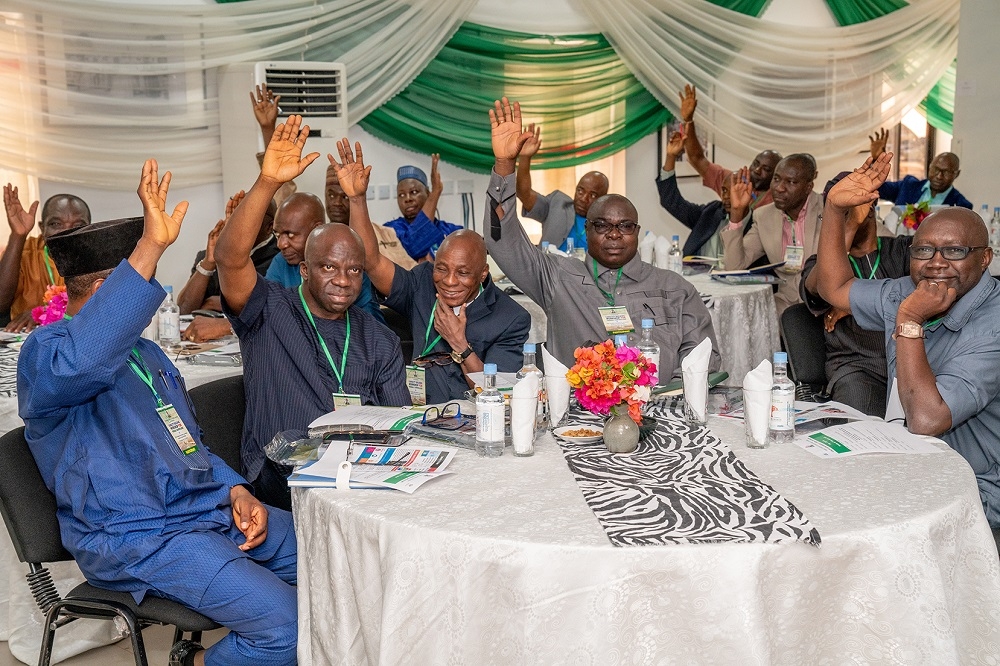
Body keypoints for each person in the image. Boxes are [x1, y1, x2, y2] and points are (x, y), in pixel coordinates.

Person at [17, 160, 297, 666]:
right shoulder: (48, 354)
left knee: (342, 559)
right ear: (109, 297)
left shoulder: (148, 356)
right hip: (136, 537)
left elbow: (189, 443)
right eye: (139, 286)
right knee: (286, 626)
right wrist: (150, 246)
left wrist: (235, 489)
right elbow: (88, 356)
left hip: (204, 510)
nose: (152, 300)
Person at [214, 115, 410, 510]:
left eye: (354, 270)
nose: (342, 280)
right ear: (304, 269)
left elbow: (396, 425)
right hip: (283, 480)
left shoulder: (379, 339)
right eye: (328, 267)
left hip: (359, 478)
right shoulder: (269, 311)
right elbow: (230, 258)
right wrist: (268, 182)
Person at [814, 152, 1000, 527]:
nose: (936, 262)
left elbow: (927, 419)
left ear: (985, 259)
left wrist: (910, 320)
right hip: (910, 462)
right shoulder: (903, 291)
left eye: (955, 251)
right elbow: (831, 287)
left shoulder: (992, 325)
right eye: (923, 250)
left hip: (972, 489)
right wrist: (835, 211)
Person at [485, 97, 720, 373]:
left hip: (657, 410)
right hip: (577, 413)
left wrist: (664, 398)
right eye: (602, 225)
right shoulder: (558, 278)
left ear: (637, 232)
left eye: (624, 226)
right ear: (587, 229)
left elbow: (705, 360)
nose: (614, 234)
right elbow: (503, 243)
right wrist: (504, 165)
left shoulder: (675, 288)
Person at [330, 139, 530, 404]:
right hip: (417, 416)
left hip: (473, 423)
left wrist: (460, 344)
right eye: (442, 268)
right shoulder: (423, 283)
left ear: (483, 274)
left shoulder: (510, 318)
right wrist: (356, 199)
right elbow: (371, 260)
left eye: (462, 273)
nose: (448, 281)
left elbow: (496, 398)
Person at [800, 172, 913, 416]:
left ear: (870, 208)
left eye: (842, 212)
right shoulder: (820, 266)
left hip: (911, 363)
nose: (831, 223)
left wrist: (857, 301)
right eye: (828, 215)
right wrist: (848, 224)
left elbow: (931, 292)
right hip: (858, 368)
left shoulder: (903, 250)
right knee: (858, 430)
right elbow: (820, 289)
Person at [721, 154, 823, 316]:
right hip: (784, 306)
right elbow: (734, 267)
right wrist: (736, 213)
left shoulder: (828, 209)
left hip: (825, 303)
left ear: (808, 187)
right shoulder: (764, 216)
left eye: (791, 182)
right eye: (776, 179)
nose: (780, 188)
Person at [264, 191, 384, 324]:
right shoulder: (281, 262)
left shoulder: (350, 266)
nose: (281, 244)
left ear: (316, 229)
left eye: (290, 234)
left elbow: (372, 329)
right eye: (277, 234)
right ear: (304, 270)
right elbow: (266, 312)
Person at [177, 192, 279, 343]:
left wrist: (221, 303)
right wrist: (209, 262)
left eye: (248, 216)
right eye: (236, 215)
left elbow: (266, 310)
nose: (239, 223)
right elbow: (184, 309)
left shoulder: (281, 257)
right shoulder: (214, 255)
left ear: (269, 227)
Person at [1, 188, 90, 332]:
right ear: (42, 228)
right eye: (56, 224)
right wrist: (18, 235)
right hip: (24, 338)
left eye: (78, 225)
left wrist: (45, 312)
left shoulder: (100, 258)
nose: (66, 233)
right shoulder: (25, 252)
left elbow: (102, 308)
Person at [679, 84, 780, 211]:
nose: (757, 170)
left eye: (766, 169)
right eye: (756, 163)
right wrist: (688, 120)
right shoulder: (733, 180)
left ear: (776, 177)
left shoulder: (779, 201)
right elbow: (696, 159)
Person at [515, 123, 609, 252]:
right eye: (580, 191)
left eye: (592, 195)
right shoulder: (557, 203)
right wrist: (525, 157)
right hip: (549, 270)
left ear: (602, 199)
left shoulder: (607, 225)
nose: (583, 198)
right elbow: (523, 193)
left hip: (584, 272)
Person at [657, 130, 737, 258]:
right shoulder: (711, 212)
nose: (726, 196)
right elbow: (671, 201)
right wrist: (671, 157)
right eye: (724, 191)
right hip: (696, 275)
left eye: (732, 191)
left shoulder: (755, 222)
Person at [325, 162, 415, 270]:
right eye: (331, 195)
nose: (337, 202)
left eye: (345, 196)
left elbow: (409, 272)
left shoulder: (385, 233)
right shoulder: (317, 239)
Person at [869, 128, 972, 209]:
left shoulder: (961, 205)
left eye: (946, 172)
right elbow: (876, 187)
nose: (939, 176)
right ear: (930, 167)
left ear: (956, 174)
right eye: (935, 169)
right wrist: (877, 161)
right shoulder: (908, 186)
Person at [384, 156, 462, 261]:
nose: (407, 199)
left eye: (414, 192)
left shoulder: (452, 231)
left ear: (427, 194)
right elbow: (412, 247)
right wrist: (436, 193)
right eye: (401, 195)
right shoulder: (390, 230)